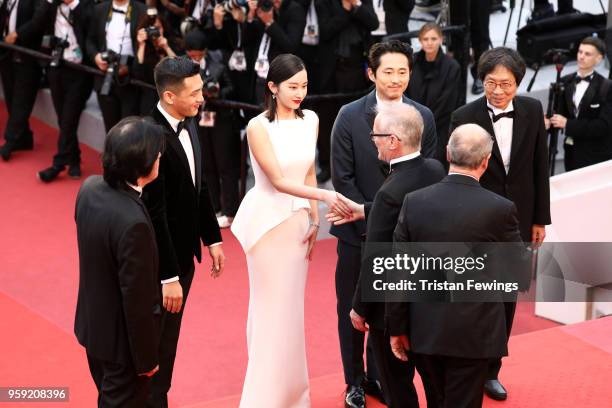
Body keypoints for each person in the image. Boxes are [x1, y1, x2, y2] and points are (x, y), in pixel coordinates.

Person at [230, 53, 351, 408]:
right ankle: (262, 398)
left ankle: (293, 396)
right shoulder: (257, 127)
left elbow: (308, 171)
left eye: (305, 86)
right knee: (270, 310)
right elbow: (280, 181)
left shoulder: (310, 119)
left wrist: (315, 219)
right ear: (272, 87)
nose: (300, 93)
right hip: (268, 226)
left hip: (298, 224)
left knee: (291, 313)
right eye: (293, 87)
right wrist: (326, 197)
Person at [330, 39, 437, 408]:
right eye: (388, 71)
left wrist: (399, 224)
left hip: (408, 237)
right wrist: (373, 218)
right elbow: (342, 178)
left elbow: (428, 174)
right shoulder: (349, 114)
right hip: (357, 233)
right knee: (355, 310)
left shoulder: (423, 114)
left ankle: (381, 376)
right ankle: (353, 381)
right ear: (371, 73)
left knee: (394, 312)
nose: (396, 79)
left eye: (403, 71)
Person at [387, 124, 524, 408]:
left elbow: (397, 271)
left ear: (447, 154)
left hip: (424, 330)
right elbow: (517, 275)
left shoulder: (415, 202)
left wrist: (397, 327)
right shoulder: (501, 208)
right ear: (486, 161)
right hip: (475, 334)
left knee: (436, 401)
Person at [450, 46, 551, 400]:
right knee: (473, 295)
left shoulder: (533, 109)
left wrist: (540, 218)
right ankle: (466, 365)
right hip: (474, 220)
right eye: (491, 83)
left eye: (505, 84)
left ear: (518, 84)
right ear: (482, 82)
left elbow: (541, 165)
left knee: (506, 299)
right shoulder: (464, 114)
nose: (498, 91)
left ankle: (492, 369)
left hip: (518, 220)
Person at [142, 56, 226, 407]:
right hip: (161, 264)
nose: (201, 98)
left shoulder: (189, 122)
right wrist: (168, 276)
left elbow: (199, 184)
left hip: (185, 256)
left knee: (169, 339)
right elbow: (154, 211)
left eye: (200, 89)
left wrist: (213, 238)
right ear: (169, 97)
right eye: (193, 93)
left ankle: (159, 397)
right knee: (154, 341)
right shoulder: (150, 136)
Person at [74, 117, 165, 407]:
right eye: (157, 154)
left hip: (94, 330)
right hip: (123, 348)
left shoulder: (89, 189)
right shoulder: (132, 222)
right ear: (143, 165)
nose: (160, 157)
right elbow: (136, 300)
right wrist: (147, 360)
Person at [184, 29, 240, 228]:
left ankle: (230, 210)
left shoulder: (219, 63)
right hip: (198, 120)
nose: (195, 58)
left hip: (221, 119)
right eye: (191, 55)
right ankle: (214, 207)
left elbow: (232, 88)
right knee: (206, 165)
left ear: (205, 51)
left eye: (199, 55)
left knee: (226, 165)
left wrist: (216, 93)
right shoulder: (183, 67)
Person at [37, 0, 95, 182]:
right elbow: (38, 23)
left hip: (79, 72)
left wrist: (72, 4)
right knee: (63, 118)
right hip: (56, 67)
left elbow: (89, 25)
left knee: (69, 117)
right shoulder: (51, 6)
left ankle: (58, 163)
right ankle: (74, 159)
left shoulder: (86, 6)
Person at [545, 36, 612, 172]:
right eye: (580, 52)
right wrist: (548, 121)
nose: (581, 57)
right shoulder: (564, 81)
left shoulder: (607, 87)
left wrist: (568, 124)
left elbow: (603, 126)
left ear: (599, 59)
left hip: (597, 154)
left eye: (587, 54)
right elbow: (559, 114)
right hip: (571, 152)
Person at [86, 0, 146, 132]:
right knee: (110, 128)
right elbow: (90, 40)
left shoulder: (142, 11)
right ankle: (111, 153)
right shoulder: (99, 9)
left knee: (129, 130)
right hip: (105, 76)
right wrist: (96, 57)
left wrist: (131, 67)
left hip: (131, 79)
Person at [406, 22, 461, 163]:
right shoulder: (411, 62)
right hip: (410, 123)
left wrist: (425, 122)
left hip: (439, 126)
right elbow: (406, 92)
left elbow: (447, 101)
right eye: (425, 39)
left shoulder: (452, 67)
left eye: (433, 39)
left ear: (441, 40)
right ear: (419, 40)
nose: (429, 43)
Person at [0, 0, 46, 161]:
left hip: (28, 58)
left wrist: (18, 34)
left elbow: (39, 20)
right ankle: (24, 138)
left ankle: (10, 140)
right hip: (7, 55)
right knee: (11, 99)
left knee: (21, 101)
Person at [134, 7, 177, 115]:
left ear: (163, 28)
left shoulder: (173, 44)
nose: (155, 32)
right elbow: (137, 73)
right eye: (150, 29)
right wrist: (142, 45)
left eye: (158, 28)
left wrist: (166, 48)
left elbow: (180, 69)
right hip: (150, 103)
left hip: (172, 103)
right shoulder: (143, 50)